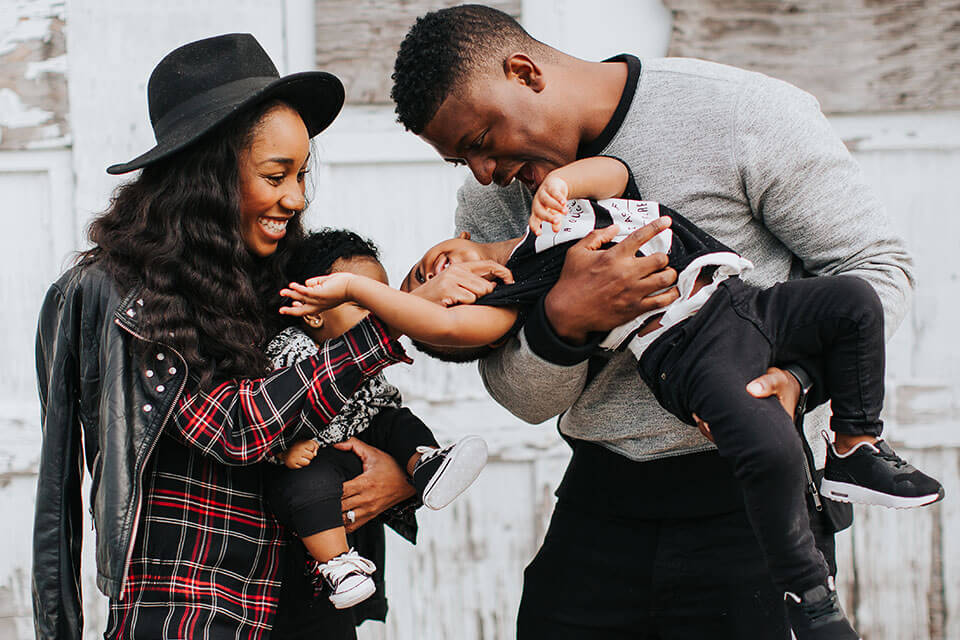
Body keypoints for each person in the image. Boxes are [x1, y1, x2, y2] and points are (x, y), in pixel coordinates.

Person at [388, 5, 916, 639]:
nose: (482, 172)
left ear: (524, 73)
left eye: (479, 142)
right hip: (599, 505)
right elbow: (522, 398)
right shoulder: (493, 197)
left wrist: (798, 378)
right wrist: (564, 322)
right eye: (460, 161)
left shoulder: (739, 113)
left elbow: (875, 271)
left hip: (750, 505)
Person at [282, 155, 942, 639]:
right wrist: (371, 298)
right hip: (695, 352)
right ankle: (813, 600)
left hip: (744, 300)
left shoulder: (545, 213)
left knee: (854, 303)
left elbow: (619, 173)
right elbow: (446, 326)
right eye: (435, 292)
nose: (435, 275)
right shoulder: (519, 298)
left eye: (421, 269)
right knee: (766, 446)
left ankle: (857, 442)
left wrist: (562, 183)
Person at [33, 34, 415, 640]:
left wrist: (401, 476)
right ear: (209, 172)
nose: (295, 197)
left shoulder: (284, 271)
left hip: (308, 607)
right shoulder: (126, 294)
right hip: (195, 608)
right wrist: (389, 323)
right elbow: (236, 429)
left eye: (301, 174)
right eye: (275, 174)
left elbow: (358, 409)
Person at [262, 228, 488, 610]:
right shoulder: (292, 351)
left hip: (357, 446)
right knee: (309, 482)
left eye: (381, 298)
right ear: (314, 313)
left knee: (397, 420)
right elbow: (267, 414)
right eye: (358, 301)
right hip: (314, 456)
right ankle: (338, 564)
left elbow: (381, 404)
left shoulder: (363, 361)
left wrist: (400, 460)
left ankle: (426, 463)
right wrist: (283, 449)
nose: (378, 311)